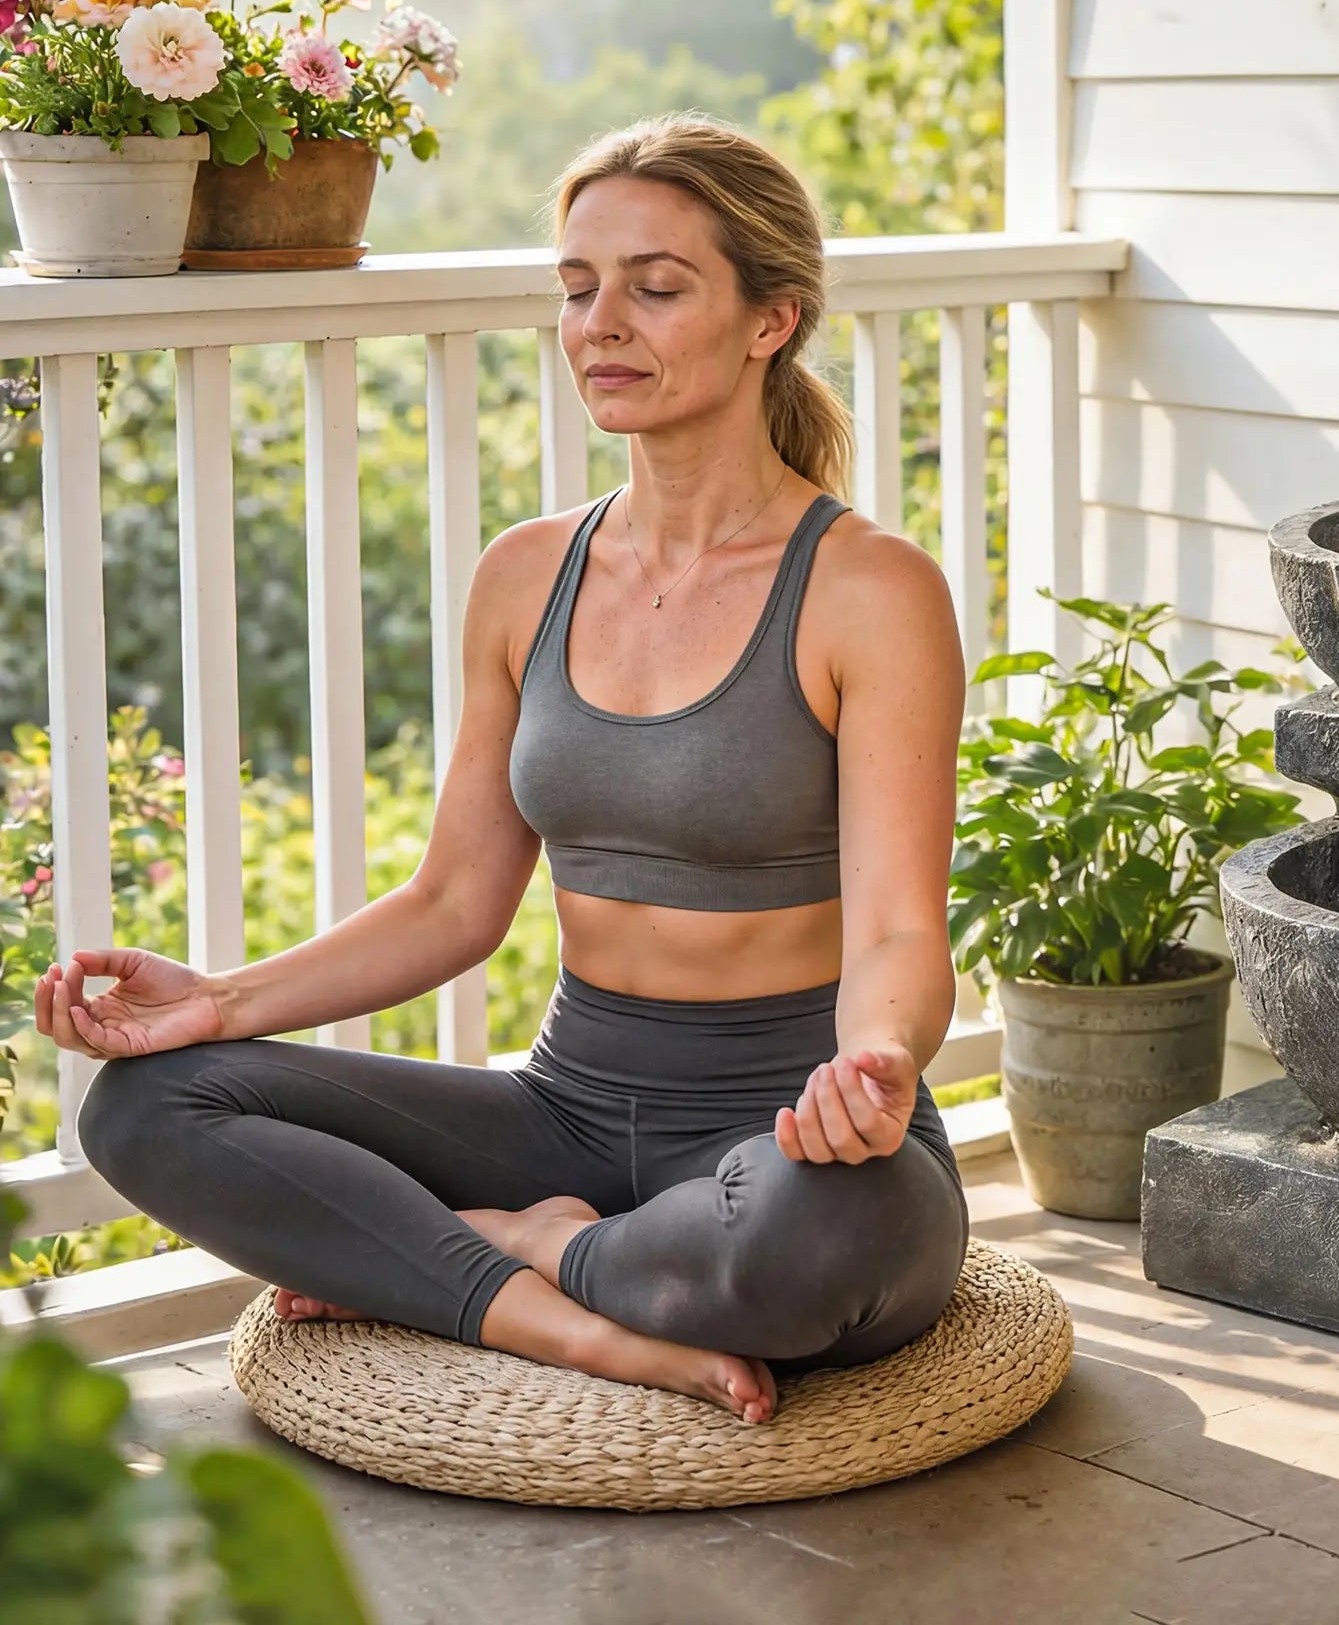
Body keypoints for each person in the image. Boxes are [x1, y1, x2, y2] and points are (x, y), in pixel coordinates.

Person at [37, 115, 972, 1426]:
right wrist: (218, 1002)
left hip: (789, 1133)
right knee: (145, 1108)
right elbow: (453, 906)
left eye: (656, 287)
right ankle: (573, 1315)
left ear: (773, 318)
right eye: (580, 288)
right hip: (568, 1113)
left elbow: (894, 926)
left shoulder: (871, 589)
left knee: (829, 1245)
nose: (601, 325)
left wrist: (875, 1064)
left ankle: (522, 1251)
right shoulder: (528, 575)